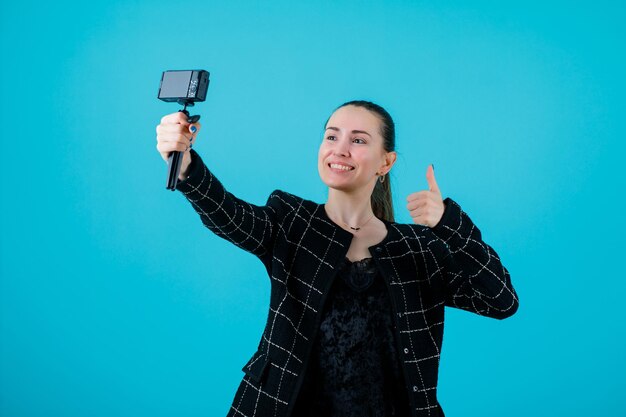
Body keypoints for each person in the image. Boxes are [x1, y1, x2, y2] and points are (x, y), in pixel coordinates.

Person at [155, 100, 520, 417]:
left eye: (358, 140)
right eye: (332, 136)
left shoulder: (420, 248)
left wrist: (449, 224)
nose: (339, 149)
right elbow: (229, 215)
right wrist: (186, 167)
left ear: (386, 162)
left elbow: (501, 300)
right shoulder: (290, 220)